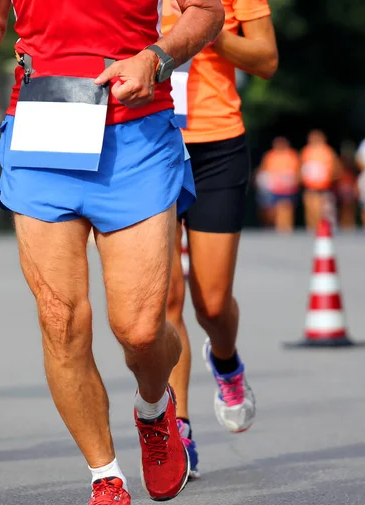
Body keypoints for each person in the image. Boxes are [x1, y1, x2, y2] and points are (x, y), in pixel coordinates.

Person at [0, 0, 224, 505]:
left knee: (140, 331)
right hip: (44, 126)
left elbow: (207, 13)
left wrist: (156, 57)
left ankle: (153, 406)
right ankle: (105, 480)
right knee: (60, 319)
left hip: (136, 132)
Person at [162, 0, 278, 478]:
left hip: (216, 146)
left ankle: (226, 361)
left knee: (210, 303)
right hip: (151, 142)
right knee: (163, 301)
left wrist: (209, 31)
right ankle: (178, 430)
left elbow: (266, 60)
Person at [255, 136, 300, 233]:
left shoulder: (292, 155)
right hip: (272, 188)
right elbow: (263, 169)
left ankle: (286, 230)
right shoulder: (270, 155)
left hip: (287, 188)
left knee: (286, 208)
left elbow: (297, 171)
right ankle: (273, 227)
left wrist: (295, 180)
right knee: (271, 211)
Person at [300, 130, 340, 230]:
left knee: (322, 209)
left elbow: (336, 168)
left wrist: (331, 177)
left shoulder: (328, 151)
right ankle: (311, 228)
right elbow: (300, 167)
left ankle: (321, 228)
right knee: (310, 208)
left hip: (324, 186)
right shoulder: (306, 151)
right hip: (310, 185)